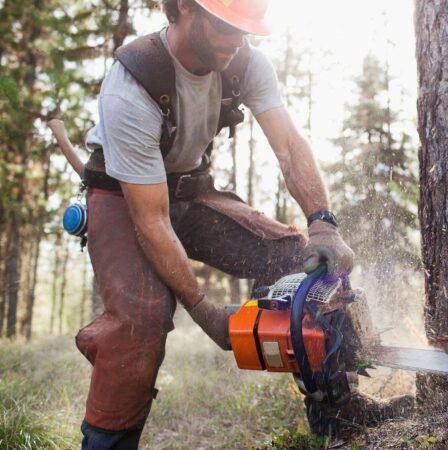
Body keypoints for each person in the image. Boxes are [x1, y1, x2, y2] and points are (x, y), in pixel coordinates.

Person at [76, 0, 357, 447]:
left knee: (298, 258)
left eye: (246, 29)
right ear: (183, 8)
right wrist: (203, 309)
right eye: (227, 26)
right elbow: (151, 218)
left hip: (190, 190)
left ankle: (341, 415)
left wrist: (323, 222)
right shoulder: (133, 82)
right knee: (142, 322)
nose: (237, 40)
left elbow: (287, 145)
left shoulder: (245, 62)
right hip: (122, 196)